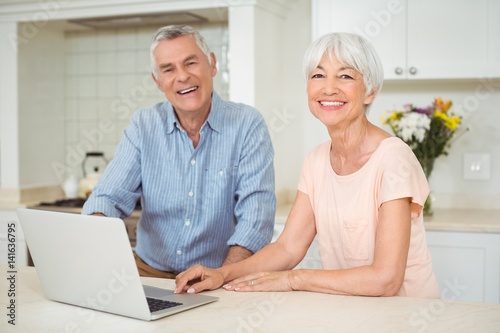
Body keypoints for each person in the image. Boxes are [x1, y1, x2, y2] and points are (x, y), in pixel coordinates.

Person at [175, 32, 440, 298]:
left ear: (370, 91)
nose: (329, 88)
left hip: (408, 316)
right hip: (355, 312)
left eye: (345, 76)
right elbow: (288, 248)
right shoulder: (316, 160)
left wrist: (294, 279)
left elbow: (385, 279)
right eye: (318, 75)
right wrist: (222, 273)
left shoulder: (393, 158)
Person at [82, 25, 276, 278]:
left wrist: (223, 276)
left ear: (212, 64)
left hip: (217, 273)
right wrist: (98, 233)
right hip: (148, 271)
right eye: (168, 69)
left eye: (191, 63)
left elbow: (256, 217)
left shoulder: (247, 124)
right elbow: (108, 197)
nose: (182, 76)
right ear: (158, 81)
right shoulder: (144, 125)